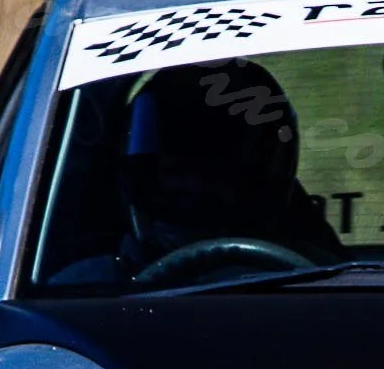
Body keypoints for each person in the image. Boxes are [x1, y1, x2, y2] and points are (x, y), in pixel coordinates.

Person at [53, 59, 343, 284]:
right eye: (173, 170)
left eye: (212, 172)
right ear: (138, 171)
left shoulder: (325, 282)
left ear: (259, 175)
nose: (189, 189)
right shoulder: (81, 291)